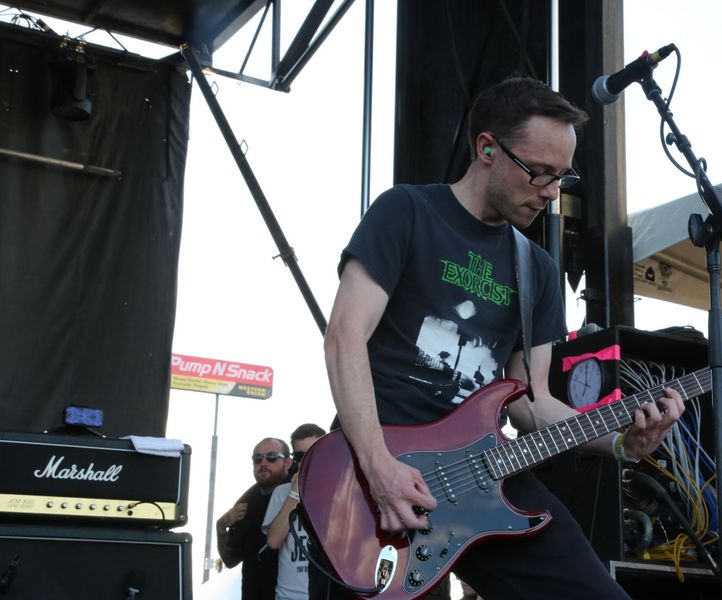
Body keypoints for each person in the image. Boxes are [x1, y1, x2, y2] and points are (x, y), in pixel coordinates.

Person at [319, 77, 684, 599]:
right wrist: (379, 469)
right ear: (487, 148)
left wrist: (622, 443)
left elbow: (531, 403)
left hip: (485, 471)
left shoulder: (537, 269)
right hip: (375, 469)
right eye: (539, 172)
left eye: (562, 176)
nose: (552, 192)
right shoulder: (407, 211)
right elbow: (344, 337)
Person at [217, 437, 293, 600]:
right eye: (257, 458)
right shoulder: (247, 501)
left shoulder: (302, 493)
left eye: (271, 457)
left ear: (288, 462)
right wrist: (221, 527)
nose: (263, 463)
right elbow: (230, 560)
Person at [262, 423, 326, 600]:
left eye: (313, 453)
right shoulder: (282, 492)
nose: (307, 460)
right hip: (289, 595)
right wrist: (295, 493)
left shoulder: (340, 490)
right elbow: (273, 541)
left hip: (326, 592)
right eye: (300, 456)